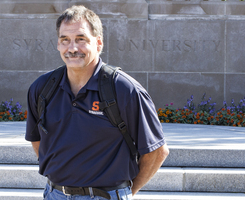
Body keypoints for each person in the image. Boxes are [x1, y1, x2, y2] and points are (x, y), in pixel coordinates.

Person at [25, 5, 169, 200]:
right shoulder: (42, 88)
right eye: (65, 40)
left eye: (81, 39)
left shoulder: (124, 89)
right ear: (58, 44)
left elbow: (157, 152)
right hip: (54, 195)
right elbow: (37, 140)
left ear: (98, 43)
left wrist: (126, 193)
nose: (72, 48)